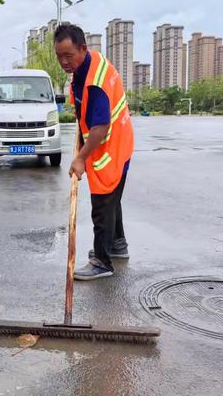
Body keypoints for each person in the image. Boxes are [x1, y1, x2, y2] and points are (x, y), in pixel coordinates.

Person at [54, 24, 134, 280]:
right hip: (118, 144)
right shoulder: (85, 67)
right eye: (59, 57)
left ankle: (102, 260)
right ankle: (117, 245)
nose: (64, 62)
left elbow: (99, 128)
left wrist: (80, 159)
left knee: (103, 205)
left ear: (83, 49)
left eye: (69, 55)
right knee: (113, 200)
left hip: (111, 148)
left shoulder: (95, 82)